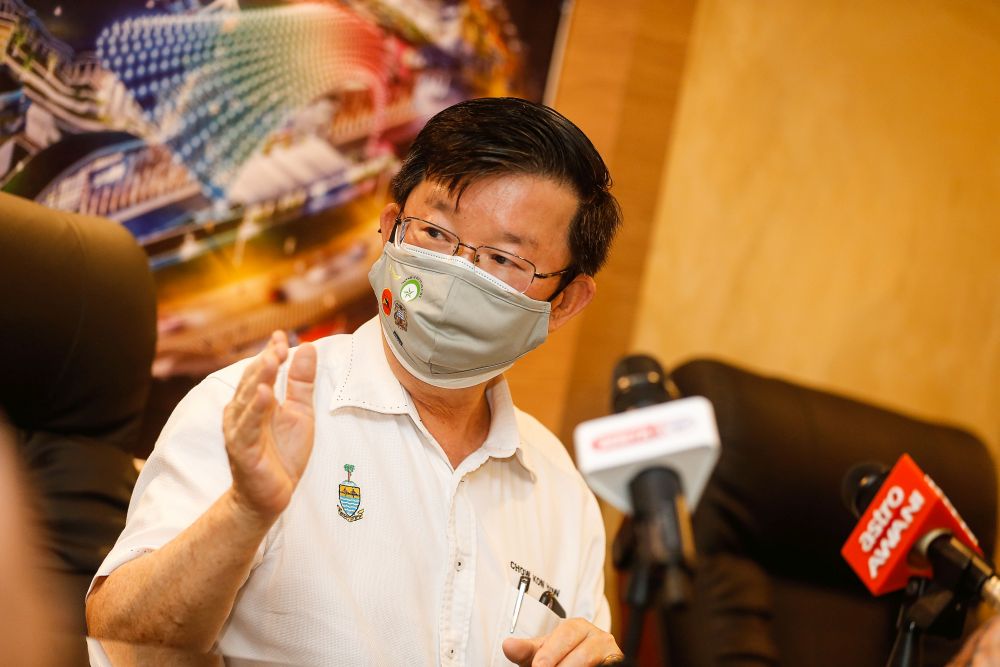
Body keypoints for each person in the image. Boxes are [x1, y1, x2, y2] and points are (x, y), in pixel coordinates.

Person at [86, 97, 624, 666]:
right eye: (436, 234)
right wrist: (245, 512)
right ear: (391, 228)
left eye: (501, 258)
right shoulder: (253, 409)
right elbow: (123, 642)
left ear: (564, 302)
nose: (456, 272)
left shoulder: (560, 491)